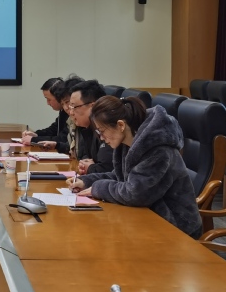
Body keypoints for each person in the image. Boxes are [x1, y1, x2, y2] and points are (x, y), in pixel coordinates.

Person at [68, 96, 202, 238]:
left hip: (176, 225)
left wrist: (99, 188)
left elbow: (135, 193)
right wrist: (87, 181)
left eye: (102, 131)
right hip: (150, 217)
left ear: (121, 125)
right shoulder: (129, 142)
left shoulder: (158, 150)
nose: (101, 137)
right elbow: (120, 176)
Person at [68, 79, 113, 174]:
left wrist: (91, 167)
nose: (71, 112)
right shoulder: (87, 128)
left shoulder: (108, 128)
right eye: (70, 107)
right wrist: (85, 164)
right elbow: (84, 156)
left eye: (74, 107)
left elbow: (106, 169)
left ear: (92, 107)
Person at [21, 77, 66, 146]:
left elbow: (63, 139)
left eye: (49, 99)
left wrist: (34, 140)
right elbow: (53, 130)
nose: (47, 103)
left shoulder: (71, 113)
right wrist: (36, 134)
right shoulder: (63, 112)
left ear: (59, 97)